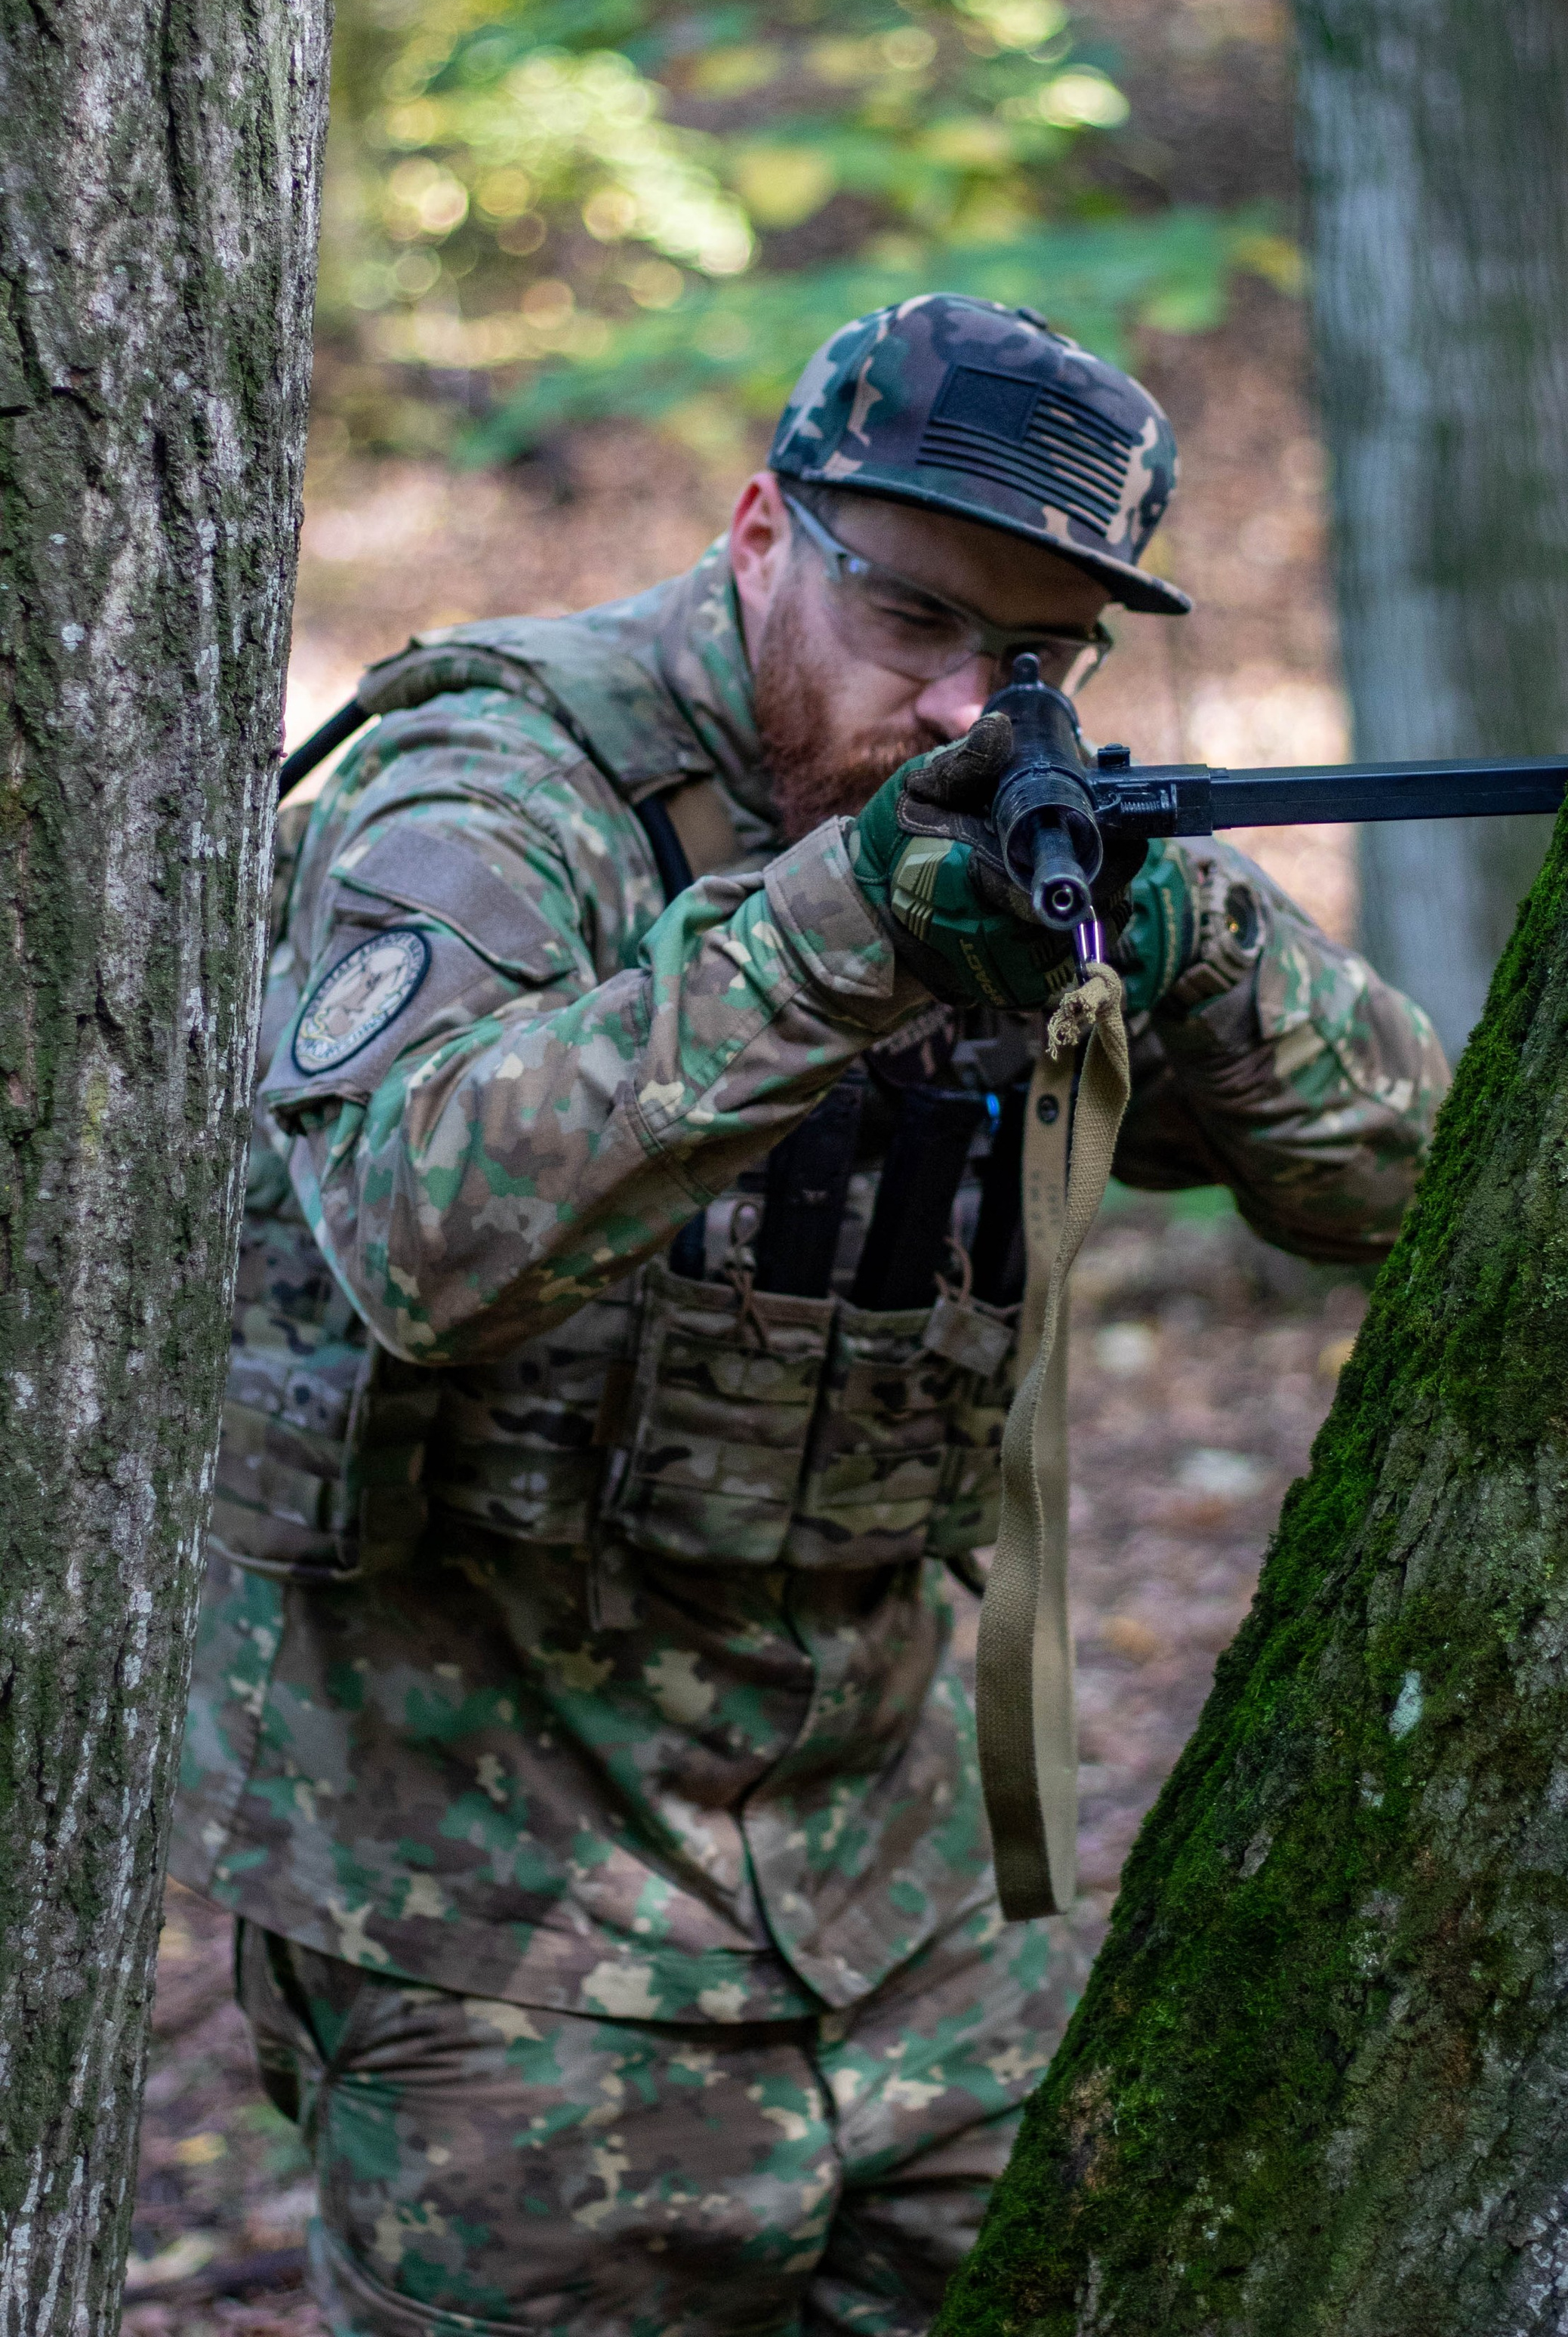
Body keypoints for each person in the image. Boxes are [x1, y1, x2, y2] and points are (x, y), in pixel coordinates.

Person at [174, 294, 1449, 2337]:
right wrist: (840, 936)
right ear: (762, 531)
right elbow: (412, 1229)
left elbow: (1408, 1196)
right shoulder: (499, 782)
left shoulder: (999, 805)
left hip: (909, 1900)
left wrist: (1199, 950)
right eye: (919, 625)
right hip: (502, 1923)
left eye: (1035, 660)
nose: (965, 708)